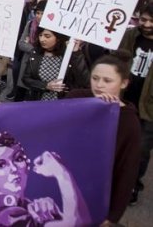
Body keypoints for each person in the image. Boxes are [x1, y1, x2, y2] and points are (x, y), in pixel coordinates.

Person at [66, 52, 142, 225]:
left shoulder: (129, 122)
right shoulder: (76, 98)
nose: (99, 85)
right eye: (95, 78)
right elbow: (44, 119)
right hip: (63, 182)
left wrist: (113, 215)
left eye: (107, 81)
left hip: (93, 194)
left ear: (124, 83)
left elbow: (127, 170)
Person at [0, 131, 90, 226]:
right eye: (0, 165)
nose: (14, 168)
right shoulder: (3, 217)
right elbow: (78, 223)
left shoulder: (26, 205)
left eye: (18, 159)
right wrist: (61, 173)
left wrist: (54, 215)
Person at [118, 2, 153, 205]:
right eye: (143, 20)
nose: (146, 24)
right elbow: (119, 58)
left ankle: (133, 185)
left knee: (140, 150)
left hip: (148, 108)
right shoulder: (131, 36)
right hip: (124, 98)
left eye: (151, 21)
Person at [21, 29, 89, 101]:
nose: (42, 39)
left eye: (47, 36)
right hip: (39, 101)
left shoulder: (68, 55)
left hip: (63, 102)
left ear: (58, 38)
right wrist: (45, 86)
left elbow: (84, 81)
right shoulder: (35, 53)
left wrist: (75, 53)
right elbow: (26, 79)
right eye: (40, 35)